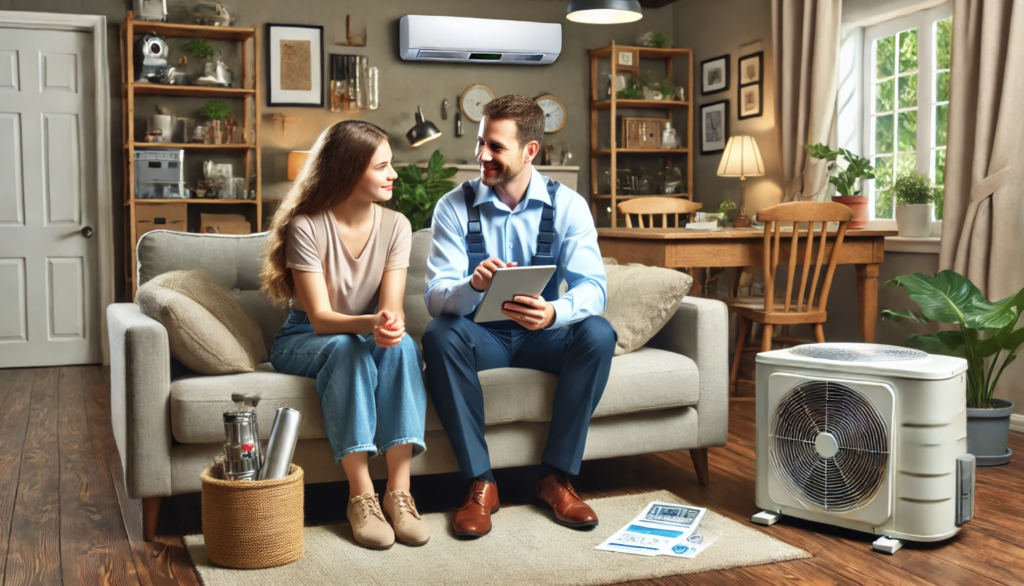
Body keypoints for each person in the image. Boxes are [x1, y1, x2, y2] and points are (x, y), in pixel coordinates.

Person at [422, 95, 616, 538]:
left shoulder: (568, 206)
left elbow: (594, 288)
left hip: (540, 337)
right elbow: (435, 297)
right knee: (439, 334)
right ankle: (480, 483)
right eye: (480, 143)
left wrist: (553, 312)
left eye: (495, 147)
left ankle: (556, 479)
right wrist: (471, 287)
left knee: (598, 334)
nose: (481, 156)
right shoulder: (453, 206)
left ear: (530, 151)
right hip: (480, 337)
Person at [261, 120, 429, 550]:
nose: (394, 175)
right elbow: (319, 318)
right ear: (349, 170)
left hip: (362, 330)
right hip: (307, 336)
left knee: (404, 346)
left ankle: (399, 494)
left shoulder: (396, 226)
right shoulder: (306, 227)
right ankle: (361, 496)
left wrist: (388, 326)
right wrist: (372, 325)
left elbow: (389, 310)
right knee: (347, 348)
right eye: (383, 166)